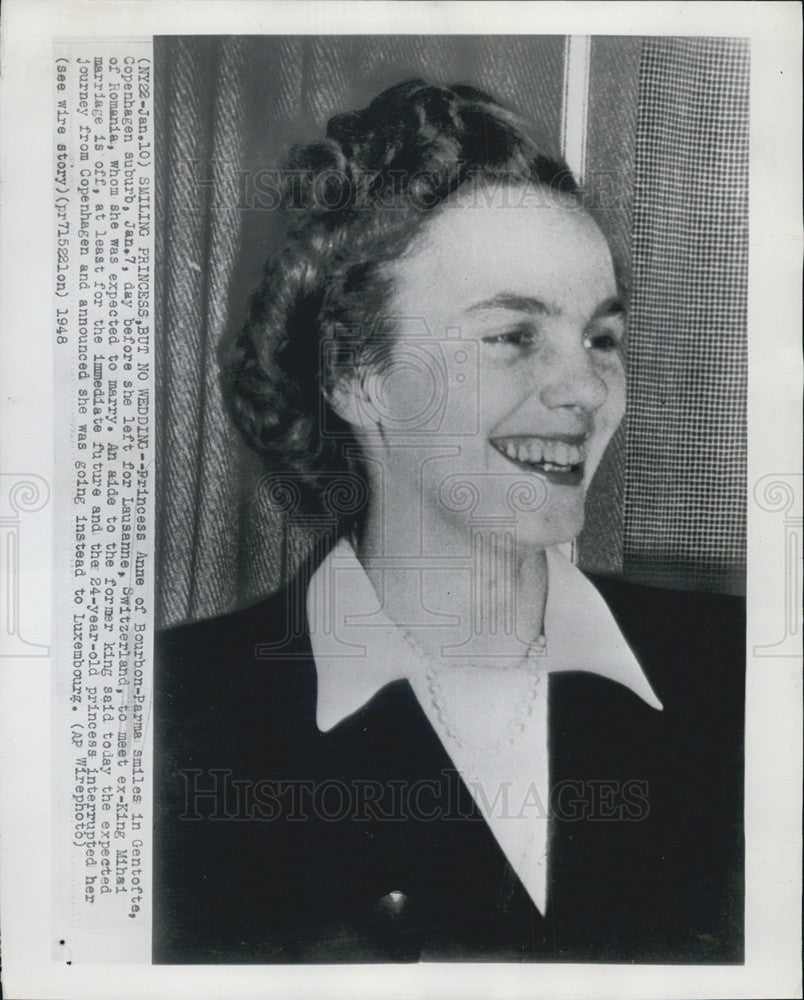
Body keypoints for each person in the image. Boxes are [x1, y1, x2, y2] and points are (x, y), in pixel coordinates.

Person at [154, 79, 744, 964]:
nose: (584, 389)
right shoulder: (171, 720)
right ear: (358, 375)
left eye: (602, 338)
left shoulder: (743, 677)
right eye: (512, 335)